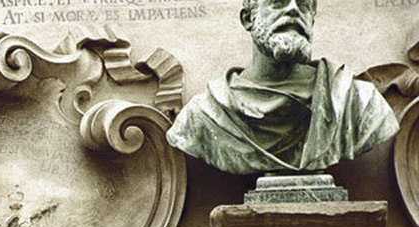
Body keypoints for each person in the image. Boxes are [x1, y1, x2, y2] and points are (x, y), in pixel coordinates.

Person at [166, 0, 399, 175]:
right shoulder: (204, 115)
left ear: (312, 20)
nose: (293, 10)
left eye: (304, 4)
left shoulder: (358, 103)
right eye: (278, 2)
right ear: (248, 19)